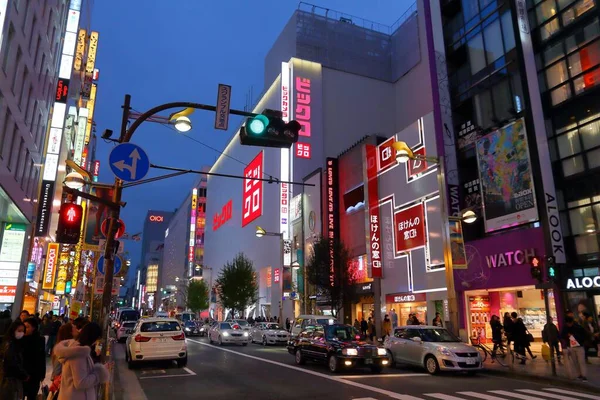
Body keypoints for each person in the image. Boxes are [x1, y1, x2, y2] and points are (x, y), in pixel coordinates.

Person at [54, 322, 109, 400]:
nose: (96, 342)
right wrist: (99, 373)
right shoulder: (78, 353)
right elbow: (81, 382)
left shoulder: (77, 350)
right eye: (97, 339)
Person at [0, 320, 28, 399]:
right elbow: (12, 362)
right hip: (10, 380)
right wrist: (23, 375)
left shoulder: (11, 343)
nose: (21, 333)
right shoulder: (11, 344)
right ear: (13, 330)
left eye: (23, 331)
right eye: (19, 331)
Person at [22, 317, 46, 400]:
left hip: (34, 375)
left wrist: (42, 374)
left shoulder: (40, 340)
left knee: (31, 396)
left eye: (27, 327)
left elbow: (42, 357)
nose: (25, 329)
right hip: (21, 373)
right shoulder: (20, 339)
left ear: (34, 328)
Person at [49, 323, 75, 396]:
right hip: (61, 383)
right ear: (70, 332)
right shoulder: (63, 348)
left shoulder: (63, 345)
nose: (77, 330)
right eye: (74, 328)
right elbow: (57, 369)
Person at [561, 315, 587, 381]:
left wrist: (573, 336)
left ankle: (583, 375)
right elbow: (562, 335)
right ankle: (579, 374)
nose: (569, 324)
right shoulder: (565, 328)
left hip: (579, 346)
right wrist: (567, 336)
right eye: (567, 323)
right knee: (575, 362)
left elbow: (584, 335)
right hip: (571, 347)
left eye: (570, 323)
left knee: (581, 361)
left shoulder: (578, 327)